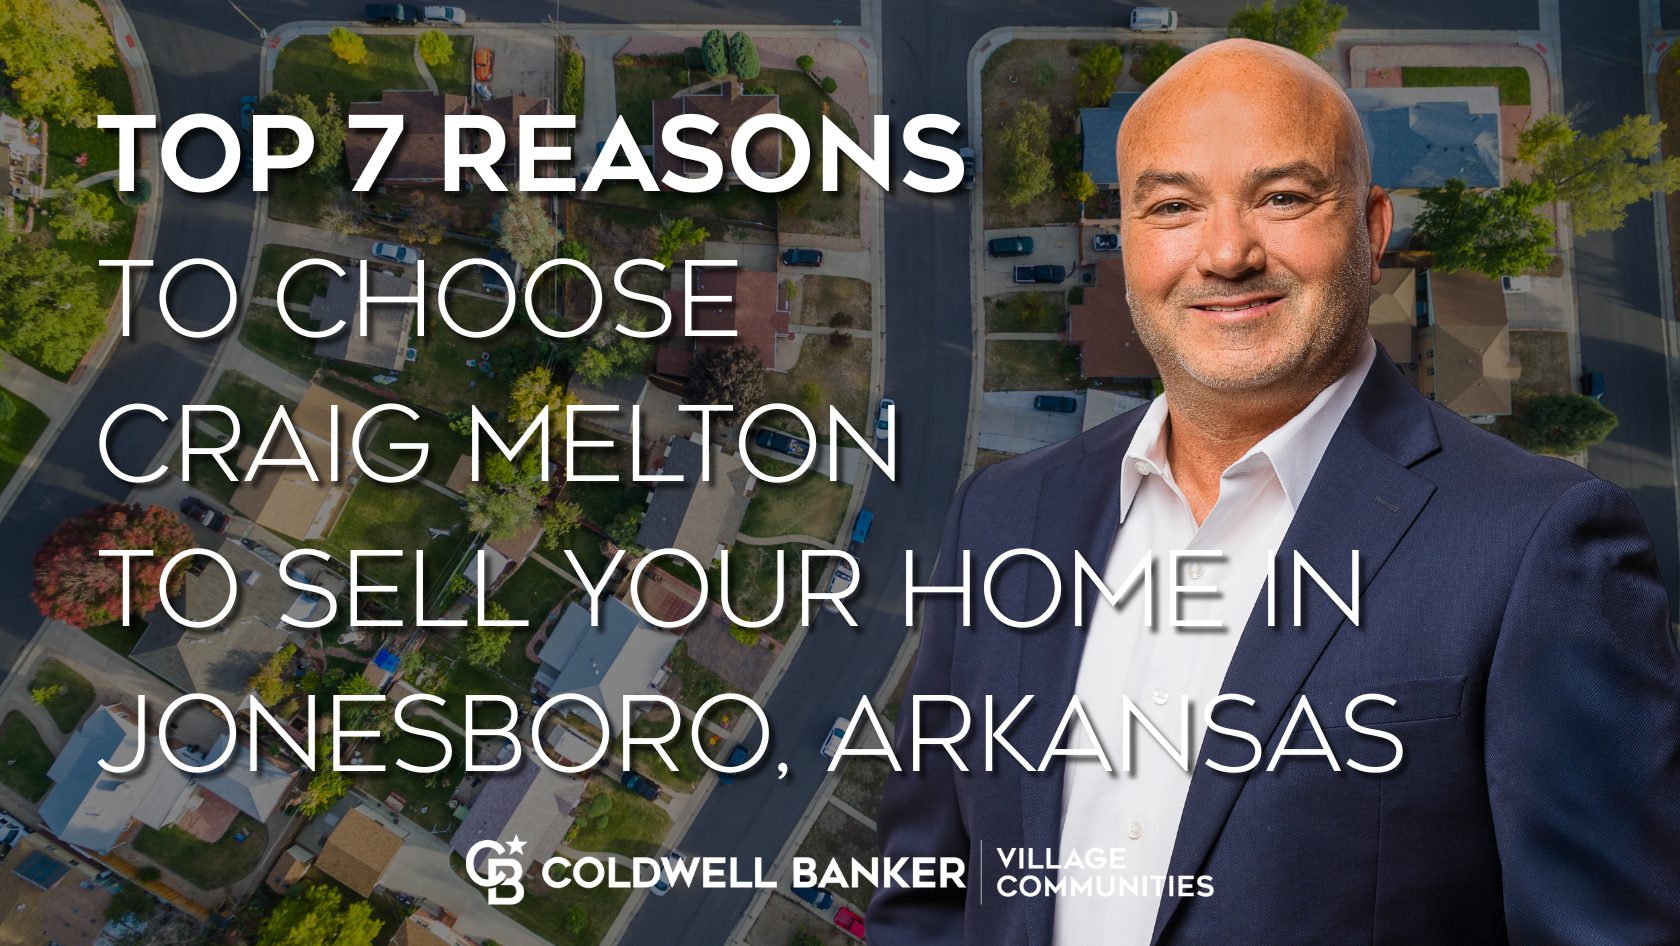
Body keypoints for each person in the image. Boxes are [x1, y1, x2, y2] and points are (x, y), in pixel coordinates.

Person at [868, 38, 1680, 945]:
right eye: (1172, 207)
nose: (1226, 253)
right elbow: (926, 893)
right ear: (1126, 242)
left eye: (1283, 198)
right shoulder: (1001, 517)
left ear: (1372, 229)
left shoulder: (1540, 544)